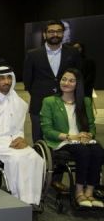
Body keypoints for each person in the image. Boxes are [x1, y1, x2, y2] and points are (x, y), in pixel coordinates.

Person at [0, 65, 45, 208]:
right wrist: (2, 142)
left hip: (16, 141)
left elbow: (19, 128)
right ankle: (19, 200)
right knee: (17, 159)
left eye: (9, 78)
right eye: (2, 78)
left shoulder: (19, 102)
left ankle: (32, 199)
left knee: (36, 158)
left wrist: (21, 139)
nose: (6, 81)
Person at [40, 68, 104, 208]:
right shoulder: (50, 101)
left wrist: (88, 135)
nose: (66, 83)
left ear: (78, 84)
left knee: (98, 151)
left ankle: (90, 191)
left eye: (71, 80)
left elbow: (91, 126)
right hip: (62, 141)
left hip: (82, 139)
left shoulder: (85, 101)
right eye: (64, 79)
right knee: (84, 152)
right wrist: (72, 136)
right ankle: (79, 191)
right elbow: (47, 130)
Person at [23, 20, 80, 142]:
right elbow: (27, 81)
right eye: (51, 32)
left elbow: (78, 77)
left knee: (66, 139)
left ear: (63, 34)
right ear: (44, 34)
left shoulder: (73, 53)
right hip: (39, 105)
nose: (55, 35)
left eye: (59, 31)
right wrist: (38, 93)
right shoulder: (33, 54)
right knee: (39, 141)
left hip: (66, 103)